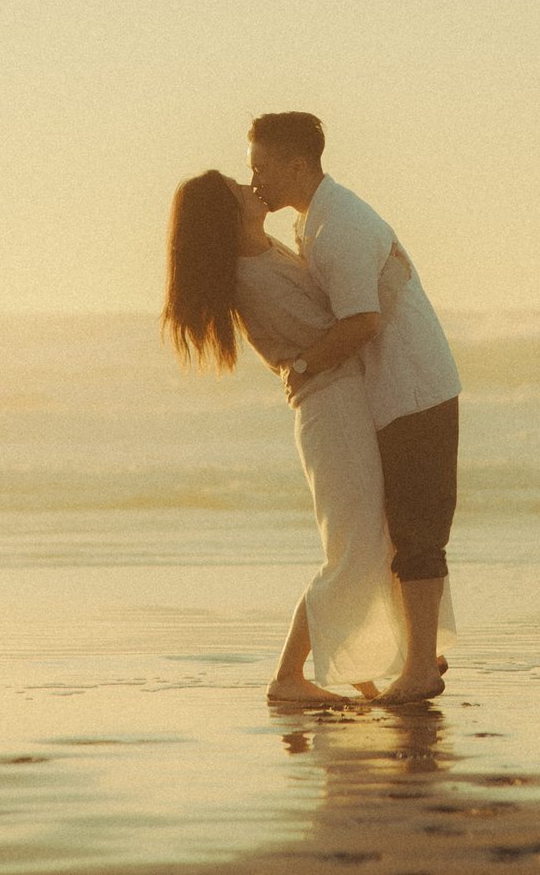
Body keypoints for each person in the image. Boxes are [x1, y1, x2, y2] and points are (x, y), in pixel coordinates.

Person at [162, 170, 454, 705]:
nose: (253, 187)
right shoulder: (253, 276)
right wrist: (389, 277)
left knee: (370, 538)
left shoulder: (266, 252)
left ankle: (368, 670)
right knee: (352, 549)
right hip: (331, 411)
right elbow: (335, 330)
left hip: (344, 404)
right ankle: (288, 677)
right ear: (227, 216)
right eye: (238, 189)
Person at [247, 112, 461, 706]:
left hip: (414, 386)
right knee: (400, 528)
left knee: (417, 530)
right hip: (390, 390)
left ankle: (418, 668)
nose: (257, 179)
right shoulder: (315, 222)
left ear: (298, 165)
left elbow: (361, 321)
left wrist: (304, 367)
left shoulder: (337, 225)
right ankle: (417, 658)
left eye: (263, 167)